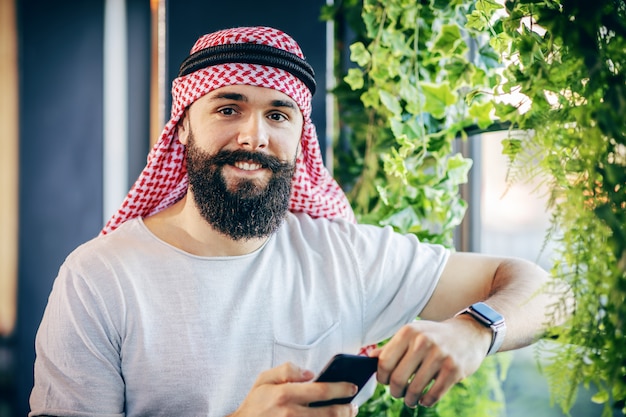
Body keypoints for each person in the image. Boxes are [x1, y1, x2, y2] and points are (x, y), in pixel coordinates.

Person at [29, 26, 570, 417]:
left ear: (298, 139)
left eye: (278, 115)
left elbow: (545, 291)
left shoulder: (345, 256)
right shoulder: (98, 279)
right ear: (182, 130)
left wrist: (475, 329)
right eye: (227, 108)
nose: (254, 136)